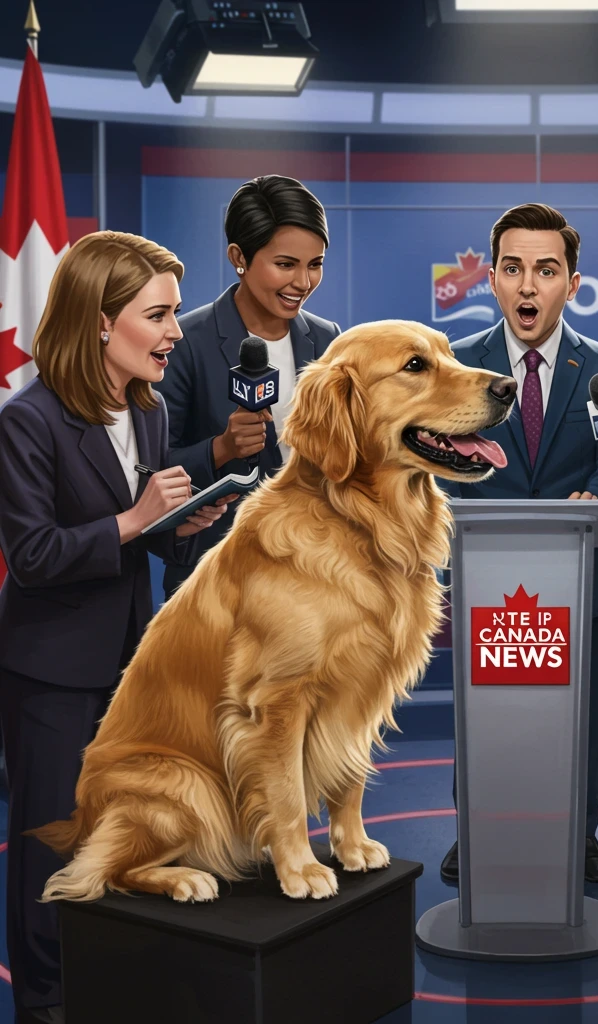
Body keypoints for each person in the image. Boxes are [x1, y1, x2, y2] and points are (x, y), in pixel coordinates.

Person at [0, 231, 231, 1024]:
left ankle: (113, 984)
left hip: (134, 664)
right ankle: (48, 1002)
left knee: (122, 833)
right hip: (52, 674)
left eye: (173, 314)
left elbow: (138, 538)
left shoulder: (150, 411)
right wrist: (136, 519)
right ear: (101, 321)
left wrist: (181, 522)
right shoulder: (28, 421)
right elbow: (33, 556)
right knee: (51, 844)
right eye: (157, 315)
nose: (174, 333)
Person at [437, 203, 598, 885]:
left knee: (578, 719)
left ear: (571, 285)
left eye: (545, 271)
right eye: (513, 268)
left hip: (580, 576)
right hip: (484, 576)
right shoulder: (455, 363)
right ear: (491, 278)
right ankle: (475, 829)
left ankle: (580, 833)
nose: (527, 285)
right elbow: (435, 462)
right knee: (485, 716)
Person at [154, 174, 342, 600]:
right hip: (218, 580)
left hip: (315, 575)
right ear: (239, 257)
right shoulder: (183, 342)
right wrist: (220, 449)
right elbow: (151, 468)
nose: (303, 282)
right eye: (285, 264)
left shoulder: (328, 338)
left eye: (315, 264)